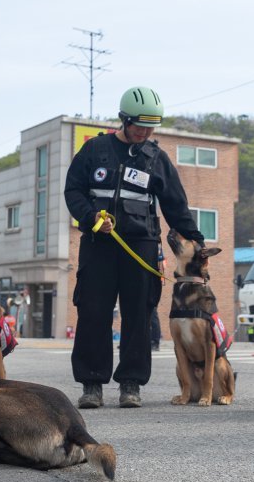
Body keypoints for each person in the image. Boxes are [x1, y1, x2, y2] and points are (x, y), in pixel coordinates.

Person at [65, 86, 204, 409]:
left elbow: (175, 205)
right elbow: (73, 191)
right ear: (124, 120)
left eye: (151, 127)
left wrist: (196, 238)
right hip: (99, 243)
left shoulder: (156, 158)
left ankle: (131, 384)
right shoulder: (94, 150)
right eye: (139, 125)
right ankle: (91, 384)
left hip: (141, 246)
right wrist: (91, 219)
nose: (145, 132)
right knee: (93, 312)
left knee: (139, 314)